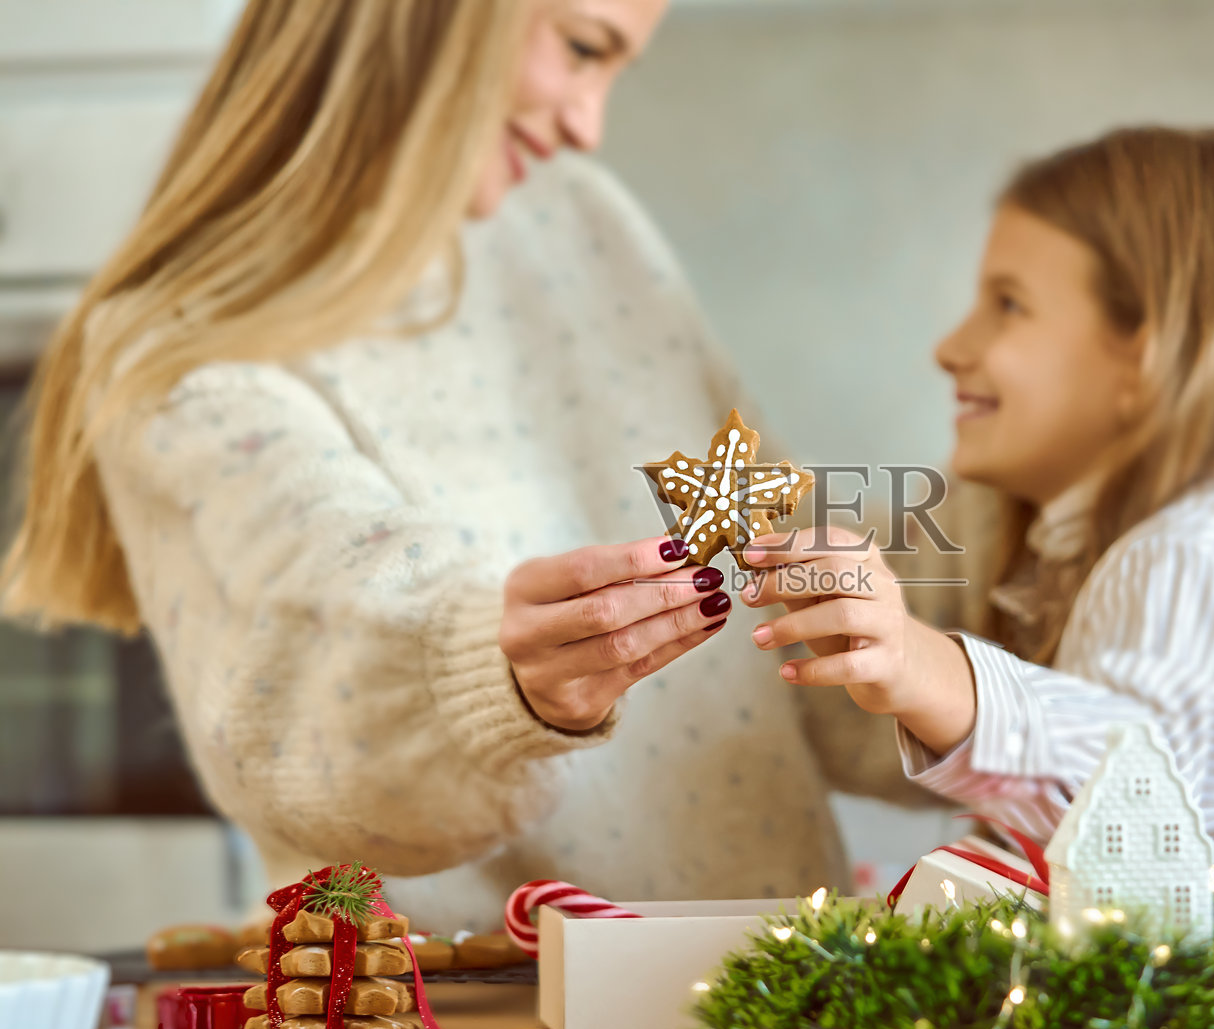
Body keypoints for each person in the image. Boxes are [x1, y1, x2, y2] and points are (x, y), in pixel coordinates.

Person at [1, 0, 922, 930]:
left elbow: (801, 604)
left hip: (762, 992)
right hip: (477, 1018)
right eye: (580, 49)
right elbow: (331, 651)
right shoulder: (181, 352)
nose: (586, 123)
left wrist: (1024, 537)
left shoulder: (577, 214)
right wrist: (498, 681)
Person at [740, 127, 1214, 873]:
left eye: (1008, 304)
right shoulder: (1212, 547)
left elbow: (1131, 805)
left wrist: (920, 664)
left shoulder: (1190, 554)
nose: (950, 347)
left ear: (1143, 355)